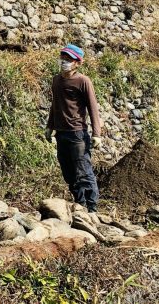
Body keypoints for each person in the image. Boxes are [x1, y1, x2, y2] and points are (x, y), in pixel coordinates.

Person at [45, 44, 103, 213]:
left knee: (83, 171)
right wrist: (50, 127)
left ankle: (92, 209)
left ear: (78, 63)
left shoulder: (83, 81)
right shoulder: (57, 80)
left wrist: (97, 134)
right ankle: (80, 204)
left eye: (69, 59)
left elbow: (93, 108)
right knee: (68, 172)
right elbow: (55, 105)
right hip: (61, 134)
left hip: (77, 134)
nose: (64, 61)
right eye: (63, 58)